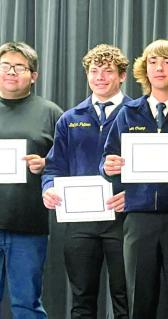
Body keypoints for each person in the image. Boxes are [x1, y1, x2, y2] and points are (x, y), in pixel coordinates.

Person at [101, 39, 168, 319]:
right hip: (139, 219)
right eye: (152, 62)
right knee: (139, 298)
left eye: (167, 62)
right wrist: (109, 167)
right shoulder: (128, 112)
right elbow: (108, 159)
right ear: (144, 70)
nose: (159, 68)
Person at [41, 44, 130, 318]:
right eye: (94, 71)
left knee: (125, 298)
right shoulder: (70, 118)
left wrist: (133, 195)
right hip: (80, 222)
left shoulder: (137, 114)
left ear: (122, 76)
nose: (100, 77)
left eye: (107, 71)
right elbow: (54, 166)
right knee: (82, 300)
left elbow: (151, 171)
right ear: (87, 75)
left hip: (123, 220)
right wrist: (48, 188)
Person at [0, 41, 63, 318]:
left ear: (33, 75)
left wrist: (45, 164)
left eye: (19, 67)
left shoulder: (51, 113)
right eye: (5, 65)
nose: (11, 71)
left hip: (29, 225)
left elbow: (66, 164)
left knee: (27, 305)